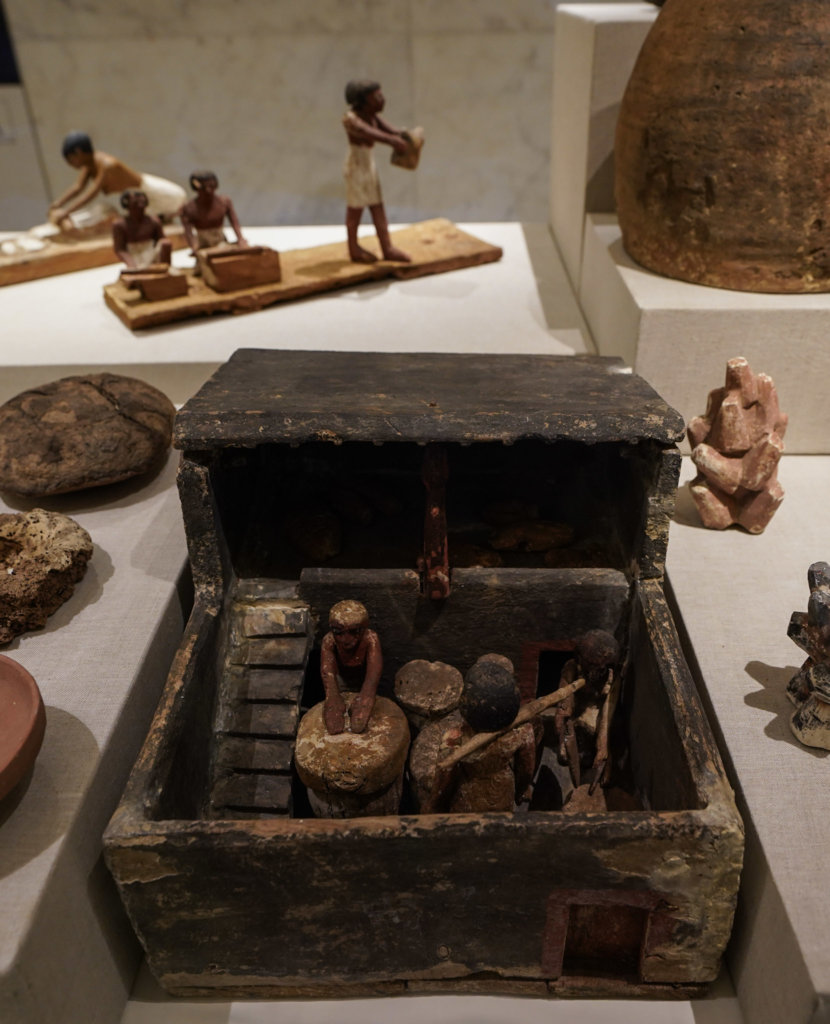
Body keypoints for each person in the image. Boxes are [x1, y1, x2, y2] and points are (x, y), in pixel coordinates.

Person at [48, 131, 186, 231]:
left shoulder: (107, 165)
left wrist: (65, 213)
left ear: (79, 152)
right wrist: (58, 204)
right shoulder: (89, 165)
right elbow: (78, 187)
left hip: (161, 195)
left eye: (70, 159)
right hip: (142, 199)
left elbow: (91, 193)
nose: (69, 164)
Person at [342, 79, 411, 264]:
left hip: (367, 165)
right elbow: (370, 133)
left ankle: (387, 247)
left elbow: (387, 129)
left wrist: (401, 134)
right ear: (362, 100)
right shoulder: (351, 119)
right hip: (356, 166)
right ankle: (353, 248)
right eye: (377, 97)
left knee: (377, 207)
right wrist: (393, 141)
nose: (382, 100)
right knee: (356, 209)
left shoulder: (371, 114)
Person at [554, 630, 620, 790]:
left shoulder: (612, 679)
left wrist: (603, 746)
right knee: (565, 754)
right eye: (588, 664)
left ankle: (594, 754)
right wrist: (563, 714)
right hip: (577, 710)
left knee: (594, 730)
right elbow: (564, 696)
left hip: (595, 712)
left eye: (597, 667)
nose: (593, 671)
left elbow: (607, 713)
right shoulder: (572, 667)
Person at [319, 600, 383, 735]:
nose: (345, 639)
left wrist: (366, 697)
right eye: (338, 632)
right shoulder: (329, 640)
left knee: (361, 720)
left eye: (354, 632)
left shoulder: (370, 638)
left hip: (363, 680)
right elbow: (327, 672)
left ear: (364, 628)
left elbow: (373, 672)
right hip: (342, 681)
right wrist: (332, 698)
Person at [179, 170, 248, 254]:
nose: (208, 190)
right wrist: (194, 247)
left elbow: (234, 222)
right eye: (204, 187)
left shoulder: (224, 202)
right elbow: (188, 232)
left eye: (211, 186)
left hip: (222, 243)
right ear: (196, 187)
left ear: (216, 185)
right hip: (203, 246)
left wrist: (240, 239)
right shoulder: (188, 208)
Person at [111, 190, 172, 269]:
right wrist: (131, 264)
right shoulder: (119, 224)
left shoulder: (153, 221)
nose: (139, 200)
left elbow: (163, 241)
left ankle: (166, 271)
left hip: (151, 253)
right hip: (134, 256)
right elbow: (120, 249)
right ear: (127, 203)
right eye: (135, 199)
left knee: (166, 244)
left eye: (140, 197)